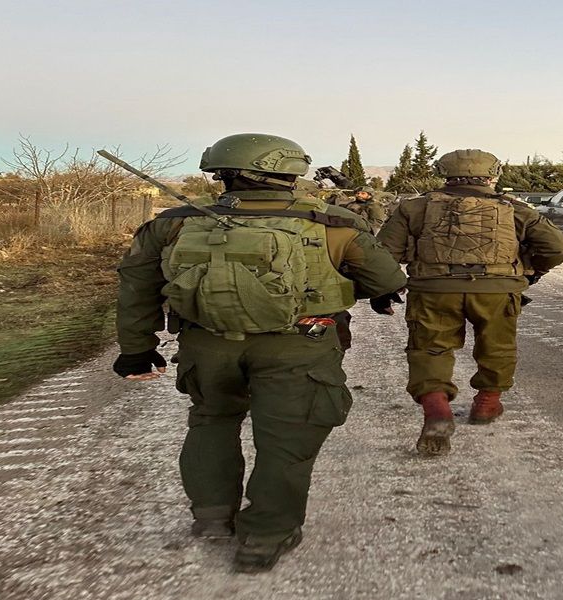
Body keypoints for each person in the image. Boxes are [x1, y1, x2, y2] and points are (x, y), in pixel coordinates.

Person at [112, 133, 406, 573]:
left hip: (206, 345)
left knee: (211, 420)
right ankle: (265, 536)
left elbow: (136, 287)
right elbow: (386, 280)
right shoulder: (334, 221)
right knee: (287, 438)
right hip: (299, 346)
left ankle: (212, 515)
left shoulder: (174, 222)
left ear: (221, 173)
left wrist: (137, 348)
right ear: (291, 172)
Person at [375, 149, 563, 456]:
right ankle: (487, 404)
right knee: (497, 346)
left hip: (433, 289)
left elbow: (383, 253)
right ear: (492, 176)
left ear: (444, 174)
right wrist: (533, 271)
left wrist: (382, 290)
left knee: (430, 348)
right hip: (497, 290)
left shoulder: (414, 207)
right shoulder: (515, 208)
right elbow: (557, 246)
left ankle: (437, 410)